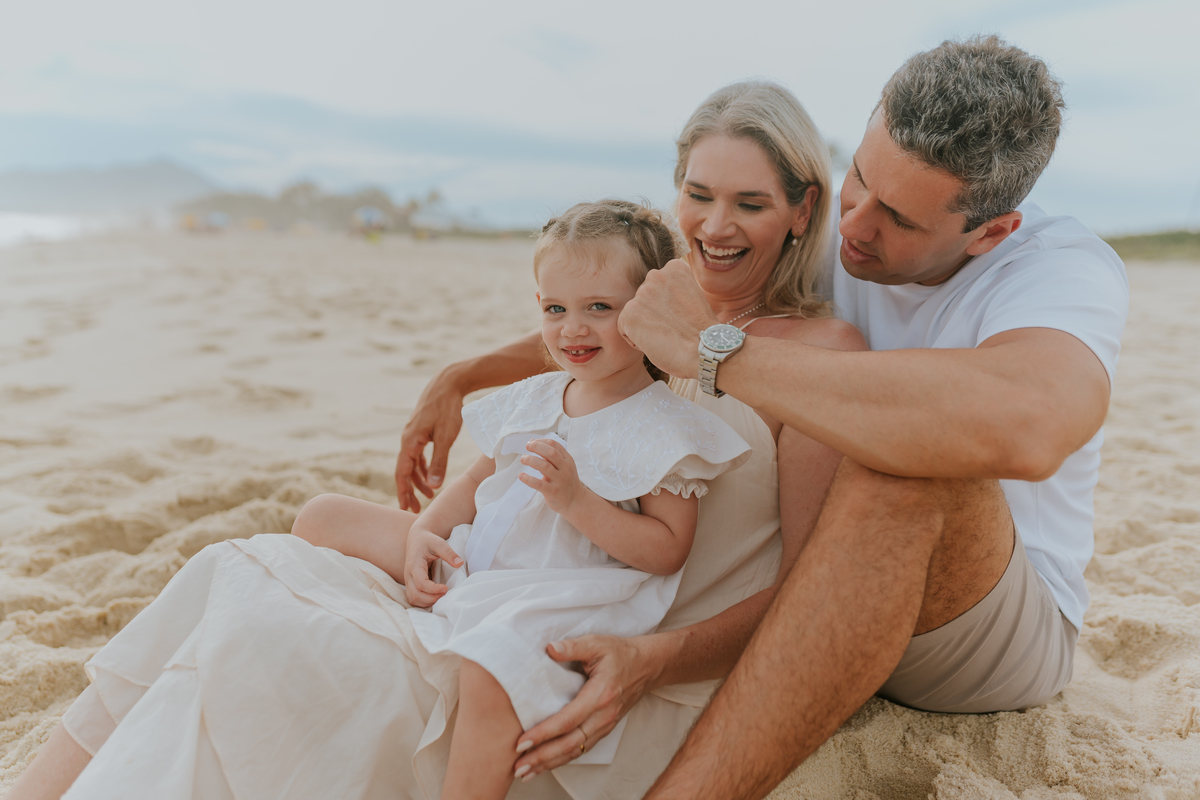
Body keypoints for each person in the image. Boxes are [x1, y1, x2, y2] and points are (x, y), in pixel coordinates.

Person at [7, 81, 863, 799]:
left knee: (258, 637)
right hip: (507, 591)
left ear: (800, 210)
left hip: (605, 658)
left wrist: (651, 659)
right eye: (699, 196)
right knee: (223, 573)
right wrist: (458, 379)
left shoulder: (823, 359)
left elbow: (804, 591)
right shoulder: (652, 312)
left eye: (749, 203)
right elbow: (564, 359)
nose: (716, 226)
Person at [396, 35, 1129, 797]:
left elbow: (1033, 424)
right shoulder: (838, 237)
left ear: (990, 232)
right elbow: (639, 315)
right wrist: (464, 377)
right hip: (835, 607)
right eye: (859, 184)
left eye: (900, 219)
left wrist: (716, 357)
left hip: (980, 631)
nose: (859, 226)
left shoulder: (1056, 269)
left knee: (910, 474)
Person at [294, 199, 752, 800]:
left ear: (648, 315)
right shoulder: (534, 396)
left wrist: (579, 502)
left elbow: (667, 550)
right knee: (320, 514)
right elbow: (470, 485)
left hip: (555, 587)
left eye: (599, 309)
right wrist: (424, 532)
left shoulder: (662, 427)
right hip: (473, 559)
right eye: (556, 309)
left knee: (492, 672)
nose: (573, 329)